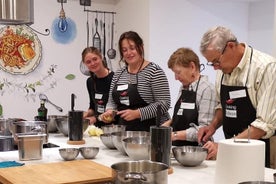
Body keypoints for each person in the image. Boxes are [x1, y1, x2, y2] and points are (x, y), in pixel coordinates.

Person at [197, 26, 276, 167]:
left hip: (262, 152)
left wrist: (225, 146)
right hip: (233, 149)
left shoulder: (266, 68)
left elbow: (264, 125)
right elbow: (224, 104)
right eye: (211, 63)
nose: (215, 67)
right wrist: (213, 126)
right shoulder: (223, 69)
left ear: (231, 46)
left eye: (216, 61)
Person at [100, 31, 171, 131]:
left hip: (152, 131)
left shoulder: (154, 71)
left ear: (141, 47)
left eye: (132, 48)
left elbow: (164, 103)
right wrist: (109, 112)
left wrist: (138, 113)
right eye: (124, 50)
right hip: (126, 132)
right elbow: (111, 102)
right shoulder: (119, 74)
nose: (129, 53)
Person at [162, 47, 216, 146]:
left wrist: (174, 135)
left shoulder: (207, 89)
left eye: (178, 72)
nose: (176, 78)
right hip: (177, 147)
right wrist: (166, 125)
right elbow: (181, 116)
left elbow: (204, 131)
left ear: (192, 67)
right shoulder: (183, 87)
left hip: (196, 152)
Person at [82, 47, 114, 128]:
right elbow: (93, 107)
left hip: (113, 128)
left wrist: (95, 118)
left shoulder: (114, 78)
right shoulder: (90, 82)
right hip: (97, 128)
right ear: (85, 64)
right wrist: (87, 113)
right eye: (88, 62)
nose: (92, 63)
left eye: (95, 59)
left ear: (101, 57)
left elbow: (117, 109)